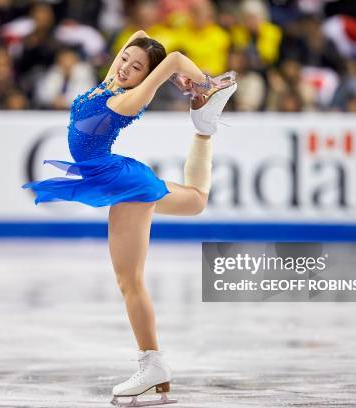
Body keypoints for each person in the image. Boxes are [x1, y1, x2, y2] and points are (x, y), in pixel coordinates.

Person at [21, 30, 237, 406]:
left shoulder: (128, 99)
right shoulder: (108, 81)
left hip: (122, 183)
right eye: (124, 59)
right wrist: (146, 56)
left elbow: (173, 59)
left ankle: (152, 365)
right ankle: (204, 128)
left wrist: (202, 82)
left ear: (144, 78)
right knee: (196, 201)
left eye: (137, 68)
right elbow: (139, 36)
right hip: (117, 174)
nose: (125, 67)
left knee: (129, 281)